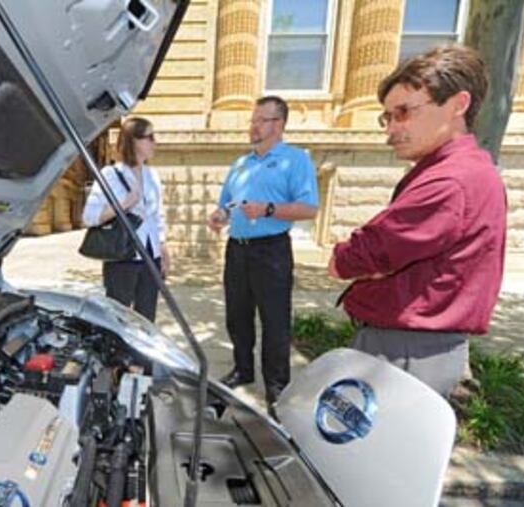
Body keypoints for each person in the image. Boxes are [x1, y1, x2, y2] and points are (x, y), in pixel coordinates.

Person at [327, 44, 507, 397]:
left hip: (406, 353)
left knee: (373, 452)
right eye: (388, 117)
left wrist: (356, 260)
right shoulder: (450, 172)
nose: (391, 129)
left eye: (404, 112)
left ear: (458, 104)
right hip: (409, 347)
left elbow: (353, 259)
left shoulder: (449, 181)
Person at [207, 96, 319, 407]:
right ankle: (243, 370)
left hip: (271, 251)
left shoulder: (296, 160)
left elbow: (309, 208)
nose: (253, 126)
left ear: (279, 124)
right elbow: (228, 202)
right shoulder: (241, 163)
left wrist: (268, 209)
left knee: (275, 321)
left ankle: (277, 385)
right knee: (237, 316)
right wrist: (220, 215)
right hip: (237, 250)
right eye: (253, 120)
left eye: (261, 120)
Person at [82, 117, 169, 322]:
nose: (155, 142)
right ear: (133, 141)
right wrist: (123, 204)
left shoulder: (152, 175)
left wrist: (163, 247)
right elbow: (89, 217)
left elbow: (157, 215)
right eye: (149, 137)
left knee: (147, 319)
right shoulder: (111, 174)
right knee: (118, 318)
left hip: (151, 256)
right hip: (123, 256)